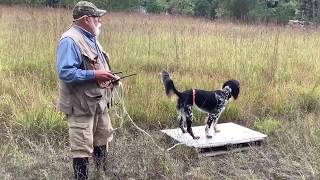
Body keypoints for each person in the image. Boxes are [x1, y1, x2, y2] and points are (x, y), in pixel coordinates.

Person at [56, 1, 120, 179]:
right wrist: (96, 75)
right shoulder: (69, 40)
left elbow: (96, 66)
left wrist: (109, 77)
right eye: (97, 17)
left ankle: (101, 176)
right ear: (86, 19)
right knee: (82, 150)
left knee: (102, 141)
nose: (100, 21)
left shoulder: (92, 38)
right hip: (80, 106)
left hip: (98, 103)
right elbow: (66, 72)